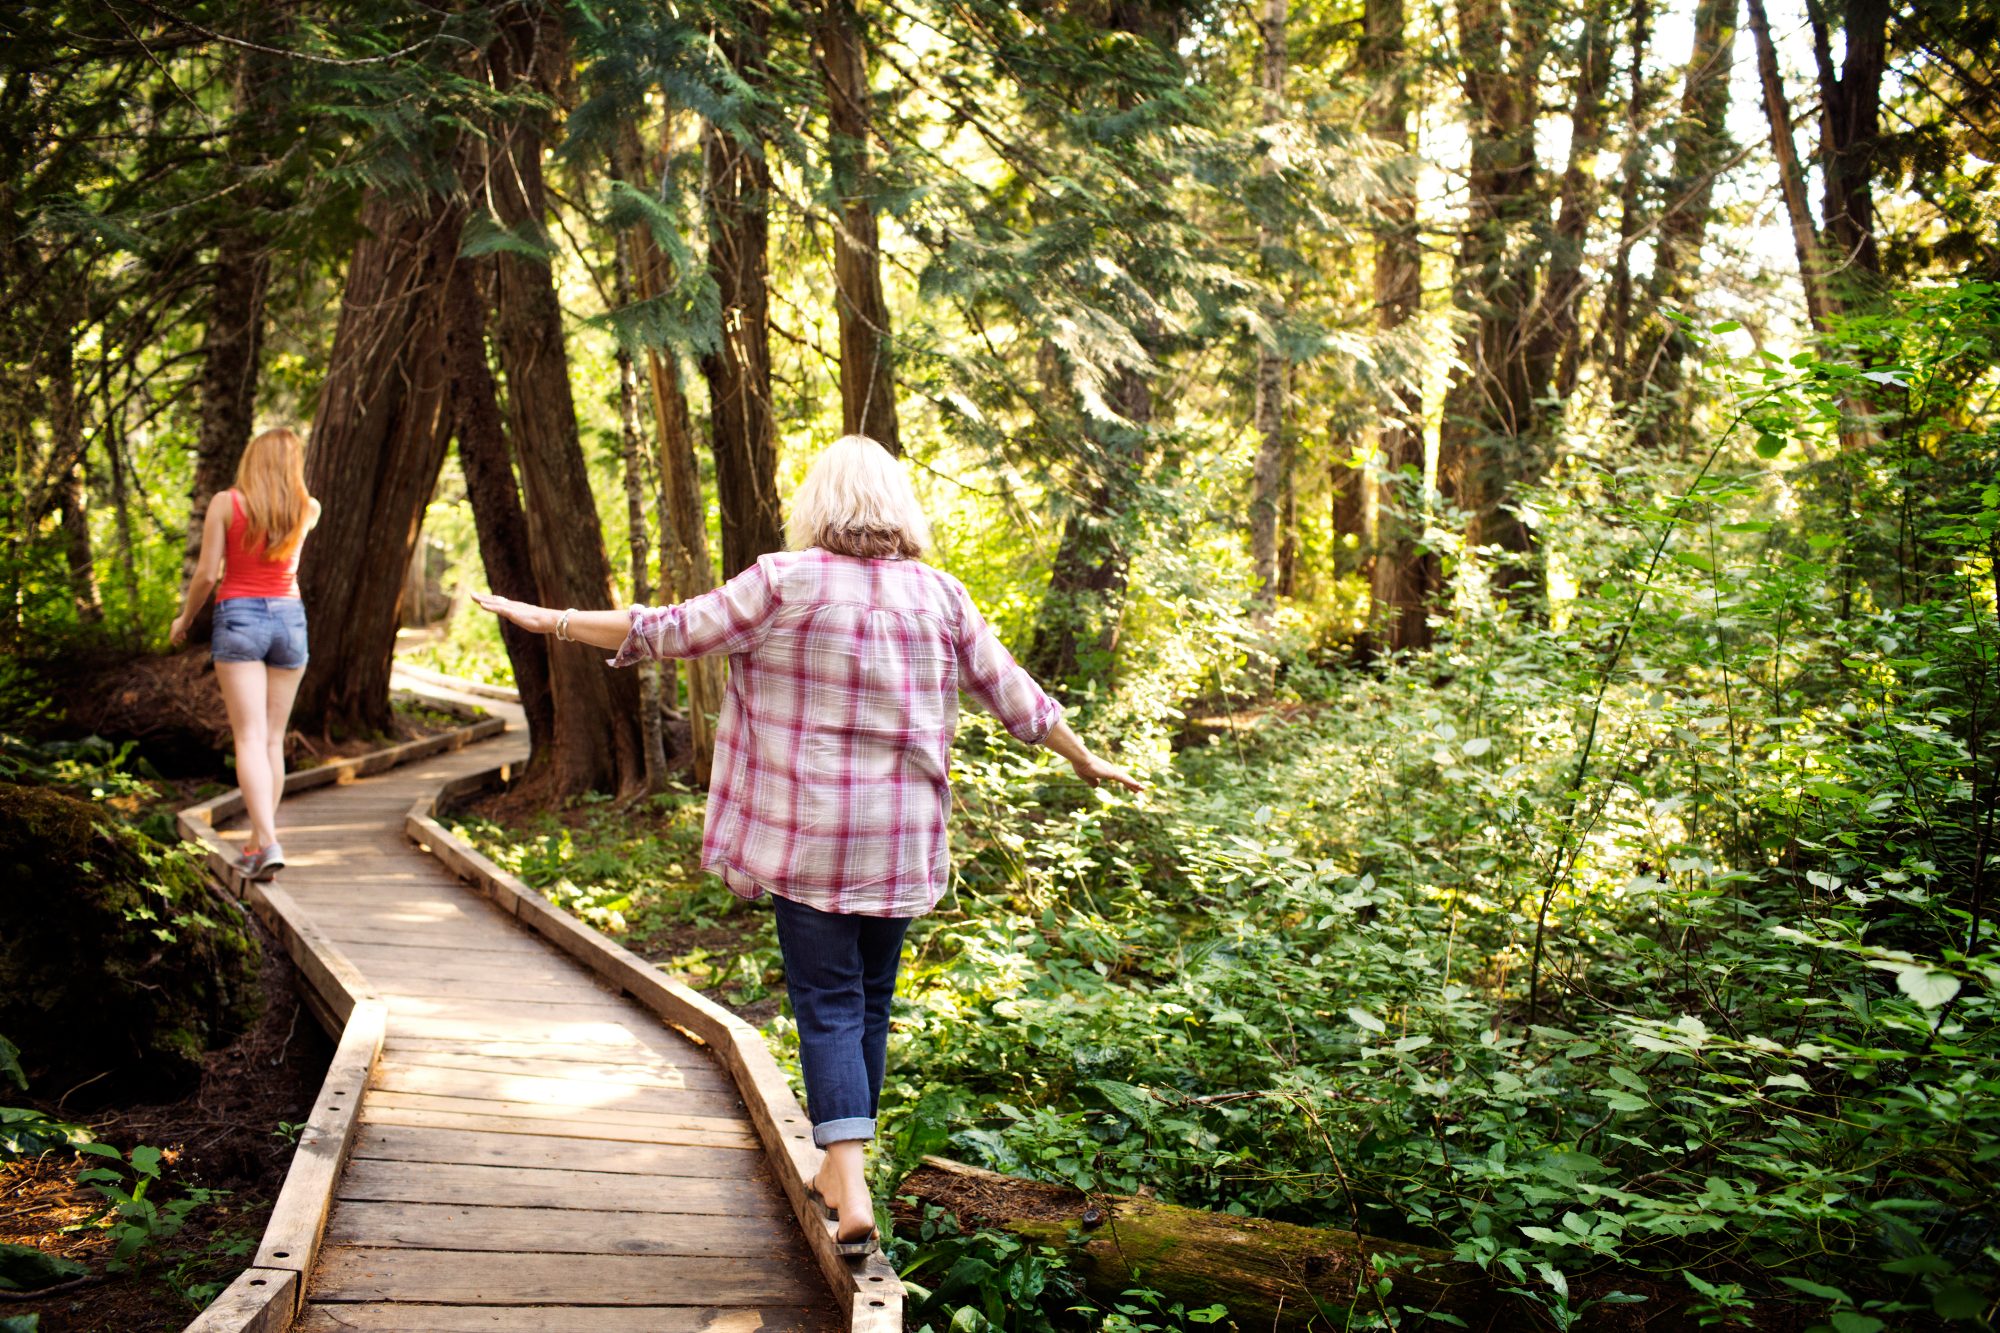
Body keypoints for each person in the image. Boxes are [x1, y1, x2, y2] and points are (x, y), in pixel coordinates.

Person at [474, 434, 1141, 1255]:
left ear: (819, 504)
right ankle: (840, 1165)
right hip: (898, 842)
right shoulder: (940, 596)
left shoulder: (784, 581)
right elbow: (1018, 696)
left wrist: (556, 620)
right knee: (869, 1002)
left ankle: (848, 1179)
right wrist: (1085, 757)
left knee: (827, 1002)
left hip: (811, 838)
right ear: (898, 505)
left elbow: (673, 629)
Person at [170, 428, 321, 880]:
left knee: (250, 738)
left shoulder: (225, 503)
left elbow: (205, 575)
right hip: (289, 619)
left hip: (240, 617)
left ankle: (268, 841)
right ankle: (259, 842)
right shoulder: (308, 509)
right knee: (273, 739)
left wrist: (184, 619)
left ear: (252, 459)